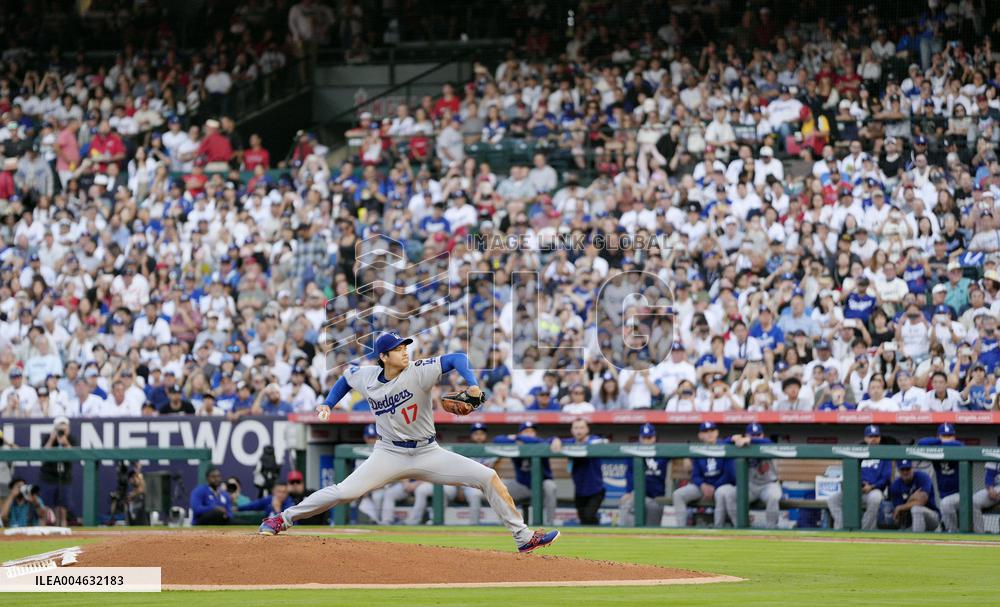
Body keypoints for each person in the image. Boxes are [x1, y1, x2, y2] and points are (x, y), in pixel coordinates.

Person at [258, 332, 560, 553]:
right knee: (344, 491)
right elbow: (345, 379)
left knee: (487, 476)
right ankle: (281, 520)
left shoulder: (419, 370)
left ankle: (523, 537)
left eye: (405, 346)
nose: (404, 351)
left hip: (428, 451)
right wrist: (328, 403)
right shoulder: (367, 376)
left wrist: (472, 383)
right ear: (383, 357)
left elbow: (456, 358)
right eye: (397, 349)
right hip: (388, 452)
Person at [404, 422, 495, 525]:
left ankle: (474, 525)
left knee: (474, 494)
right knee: (422, 490)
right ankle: (416, 522)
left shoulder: (490, 449)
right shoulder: (462, 450)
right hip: (462, 484)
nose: (478, 436)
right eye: (476, 433)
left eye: (481, 433)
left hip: (468, 484)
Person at [493, 420, 560, 526]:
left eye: (532, 431)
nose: (529, 433)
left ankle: (550, 523)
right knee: (499, 486)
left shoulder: (541, 443)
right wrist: (517, 439)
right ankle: (505, 525)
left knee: (550, 485)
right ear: (520, 433)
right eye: (526, 431)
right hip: (523, 486)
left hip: (542, 486)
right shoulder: (516, 444)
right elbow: (497, 439)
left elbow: (547, 441)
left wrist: (519, 438)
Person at [827, 425, 891, 530]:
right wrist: (852, 486)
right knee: (833, 500)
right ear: (865, 438)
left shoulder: (884, 455)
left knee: (875, 498)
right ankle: (842, 528)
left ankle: (864, 530)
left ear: (880, 438)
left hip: (874, 491)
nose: (874, 439)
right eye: (871, 436)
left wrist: (872, 486)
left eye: (876, 436)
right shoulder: (858, 453)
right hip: (856, 491)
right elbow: (850, 473)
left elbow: (886, 478)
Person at [672, 421, 734, 528]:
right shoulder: (698, 449)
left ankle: (718, 529)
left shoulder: (725, 446)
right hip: (703, 487)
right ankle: (681, 529)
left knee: (721, 493)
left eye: (712, 430)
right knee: (678, 494)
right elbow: (695, 475)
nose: (709, 434)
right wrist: (702, 485)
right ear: (700, 436)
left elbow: (729, 474)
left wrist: (714, 487)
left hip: (721, 486)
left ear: (717, 432)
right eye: (705, 431)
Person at [722, 423, 783, 529]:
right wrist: (733, 439)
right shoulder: (742, 445)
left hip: (768, 485)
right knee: (730, 495)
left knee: (774, 496)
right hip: (749, 486)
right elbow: (721, 444)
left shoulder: (766, 444)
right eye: (752, 435)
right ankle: (739, 527)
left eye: (758, 435)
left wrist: (750, 440)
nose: (755, 437)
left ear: (762, 435)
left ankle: (772, 529)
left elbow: (768, 442)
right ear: (746, 435)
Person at [618, 423, 667, 527]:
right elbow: (630, 475)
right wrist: (629, 492)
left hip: (655, 496)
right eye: (644, 438)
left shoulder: (662, 451)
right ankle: (625, 535)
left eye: (649, 437)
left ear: (654, 438)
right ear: (640, 438)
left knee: (653, 516)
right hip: (637, 495)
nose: (646, 441)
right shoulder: (633, 451)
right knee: (627, 503)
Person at [916, 423, 962, 532]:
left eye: (949, 436)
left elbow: (958, 445)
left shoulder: (958, 446)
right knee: (945, 504)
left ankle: (953, 534)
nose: (947, 439)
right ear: (938, 437)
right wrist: (939, 442)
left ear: (954, 437)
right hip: (944, 496)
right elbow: (921, 443)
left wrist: (941, 443)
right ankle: (948, 529)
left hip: (962, 495)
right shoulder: (937, 447)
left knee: (945, 503)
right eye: (944, 436)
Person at [562, 418, 606, 525]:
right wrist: (556, 440)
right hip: (579, 491)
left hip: (596, 490)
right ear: (572, 430)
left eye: (582, 428)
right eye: (576, 428)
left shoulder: (594, 439)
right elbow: (551, 440)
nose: (579, 431)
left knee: (588, 516)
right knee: (584, 520)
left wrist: (584, 444)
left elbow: (602, 441)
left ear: (587, 429)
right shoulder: (570, 442)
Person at [40, 416, 74, 526]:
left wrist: (65, 442)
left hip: (64, 477)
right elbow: (43, 454)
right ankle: (42, 532)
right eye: (59, 427)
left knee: (62, 508)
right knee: (46, 507)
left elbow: (75, 455)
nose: (61, 430)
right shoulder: (47, 438)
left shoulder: (71, 439)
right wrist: (52, 439)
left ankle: (62, 528)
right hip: (49, 477)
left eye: (64, 427)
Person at [890, 460, 940, 532]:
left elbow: (921, 502)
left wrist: (901, 507)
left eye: (908, 469)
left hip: (931, 517)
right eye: (902, 469)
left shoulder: (922, 477)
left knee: (916, 509)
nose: (905, 472)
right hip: (910, 523)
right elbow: (899, 514)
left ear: (912, 468)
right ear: (899, 471)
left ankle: (917, 540)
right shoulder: (896, 485)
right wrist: (911, 498)